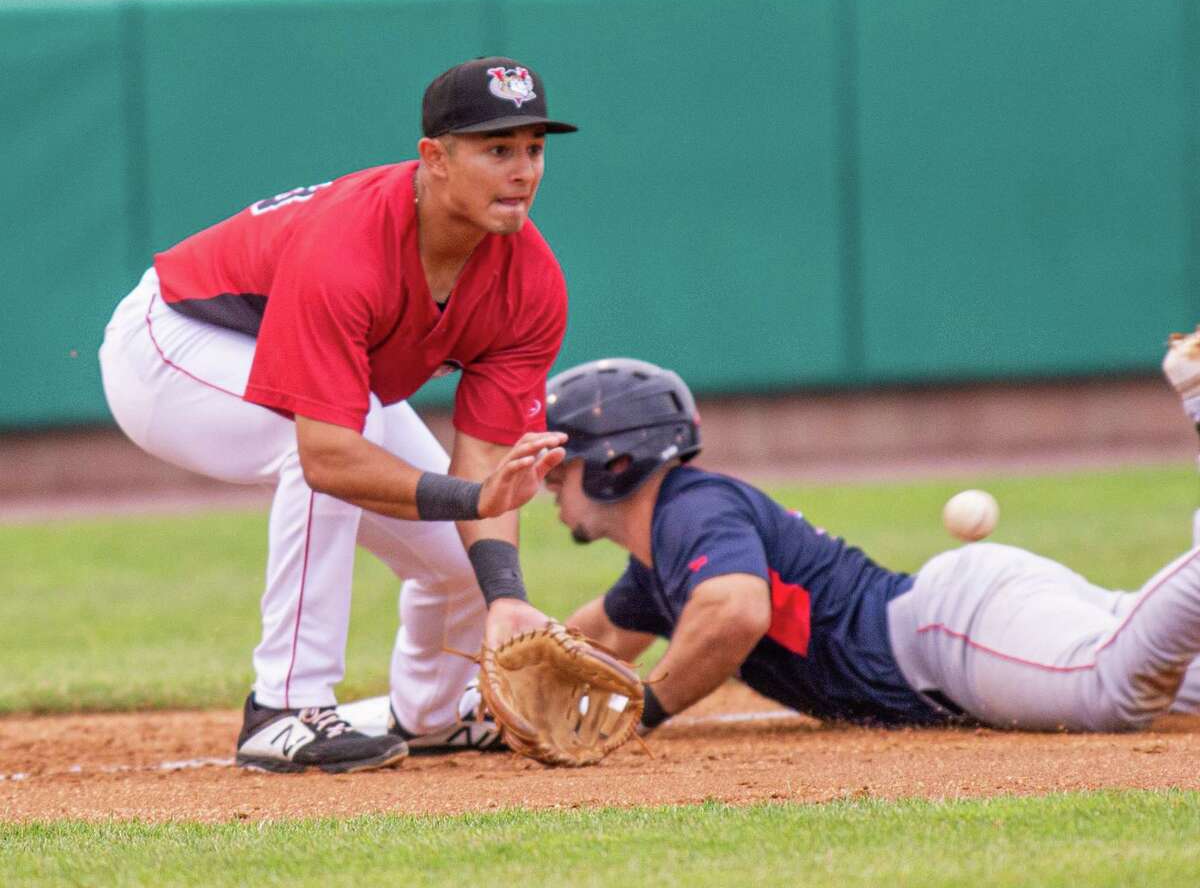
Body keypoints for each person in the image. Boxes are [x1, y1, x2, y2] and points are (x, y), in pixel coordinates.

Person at [99, 57, 576, 773]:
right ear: (435, 159)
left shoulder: (531, 280)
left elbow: (484, 464)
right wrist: (472, 497)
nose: (523, 171)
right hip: (171, 345)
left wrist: (506, 596)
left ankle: (436, 714)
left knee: (456, 562)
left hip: (304, 373)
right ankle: (283, 707)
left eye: (534, 149)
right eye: (497, 149)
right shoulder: (350, 244)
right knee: (331, 452)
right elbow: (327, 456)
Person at [546, 342, 1200, 735]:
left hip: (946, 641)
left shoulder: (695, 512)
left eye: (563, 462)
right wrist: (495, 707)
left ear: (616, 463)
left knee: (1114, 690)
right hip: (961, 620)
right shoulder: (666, 551)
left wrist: (641, 710)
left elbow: (735, 613)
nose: (550, 479)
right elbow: (593, 641)